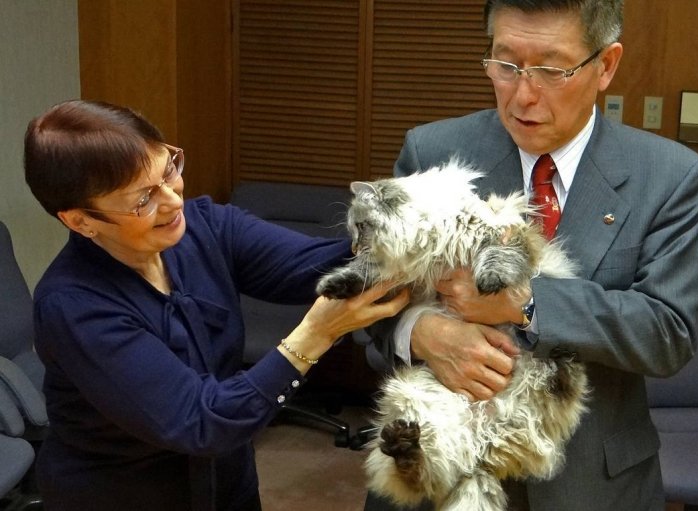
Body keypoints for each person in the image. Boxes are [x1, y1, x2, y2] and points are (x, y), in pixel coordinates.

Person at [364, 1, 698, 510]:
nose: (523, 95)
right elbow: (371, 298)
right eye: (506, 66)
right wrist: (419, 330)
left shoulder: (669, 175)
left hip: (591, 481)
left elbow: (667, 333)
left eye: (551, 70)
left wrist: (524, 303)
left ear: (606, 65)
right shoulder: (433, 150)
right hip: (439, 467)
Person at [23, 99, 409, 511]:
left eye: (168, 169)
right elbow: (202, 421)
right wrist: (317, 333)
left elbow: (317, 266)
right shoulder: (75, 306)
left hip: (225, 483)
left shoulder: (205, 225)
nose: (172, 201)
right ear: (80, 221)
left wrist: (409, 237)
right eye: (142, 200)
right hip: (123, 495)